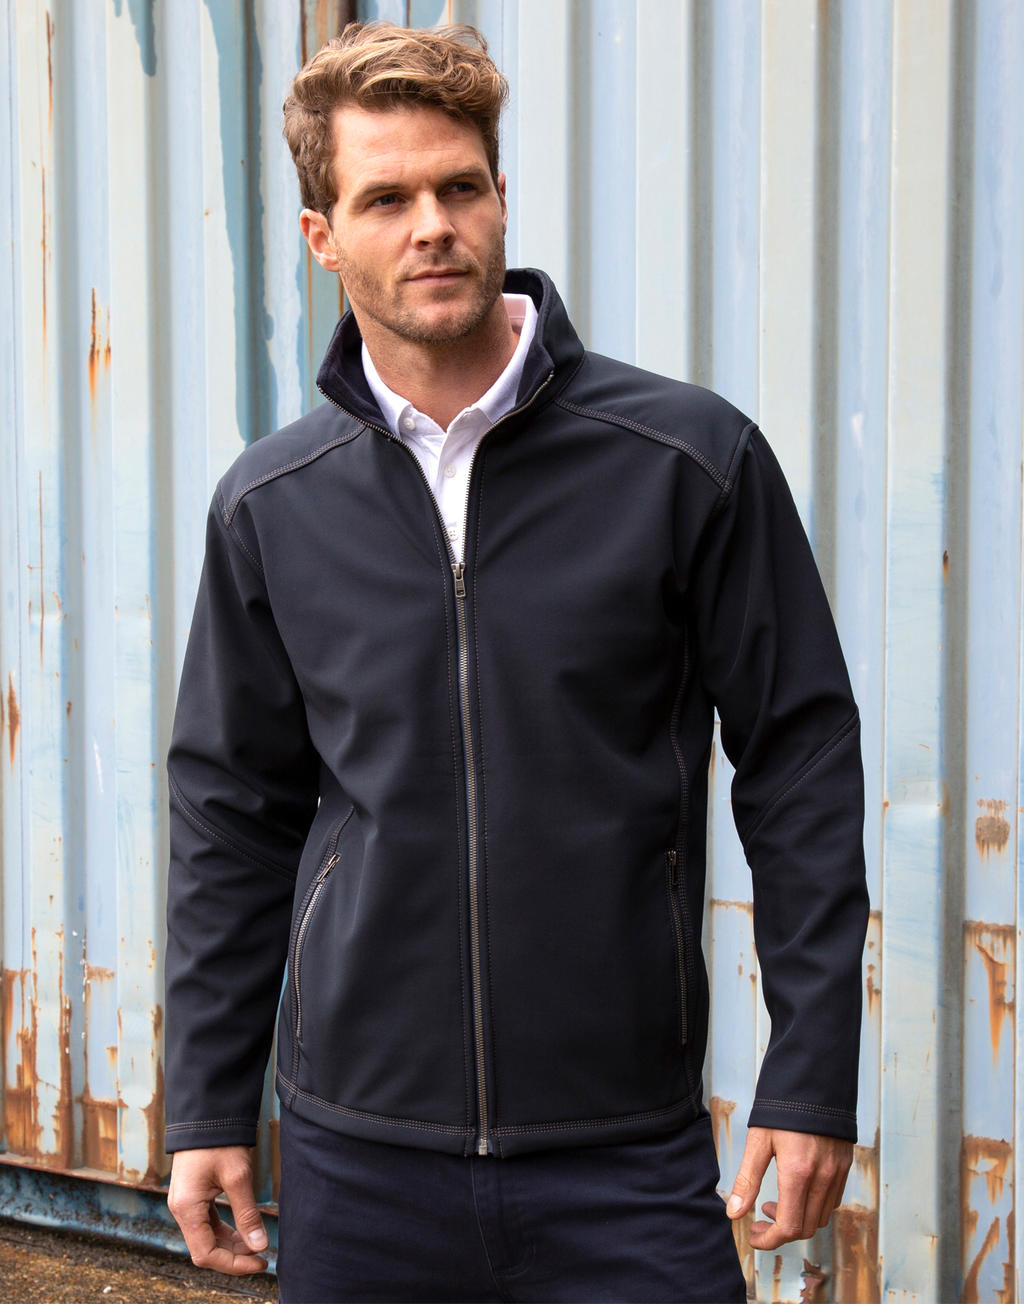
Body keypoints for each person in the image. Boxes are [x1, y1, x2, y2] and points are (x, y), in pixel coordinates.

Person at [164, 22, 868, 1303]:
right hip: (359, 1156)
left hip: (623, 1151)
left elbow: (799, 763)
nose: (432, 225)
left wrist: (810, 1072)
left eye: (459, 186)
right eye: (386, 198)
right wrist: (207, 1101)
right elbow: (232, 812)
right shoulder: (272, 503)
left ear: (501, 196)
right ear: (323, 236)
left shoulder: (685, 461)